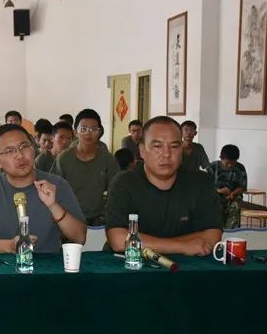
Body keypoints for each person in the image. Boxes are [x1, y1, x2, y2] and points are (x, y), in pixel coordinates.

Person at [106, 116, 223, 256]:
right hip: (130, 264)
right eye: (157, 146)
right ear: (142, 151)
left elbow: (213, 236)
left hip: (187, 266)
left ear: (182, 149)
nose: (167, 154)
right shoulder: (124, 182)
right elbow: (118, 240)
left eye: (174, 146)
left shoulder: (200, 182)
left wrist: (149, 243)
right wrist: (182, 246)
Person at [0, 124, 86, 253]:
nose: (20, 155)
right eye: (9, 151)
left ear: (33, 148)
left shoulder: (56, 184)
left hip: (48, 263)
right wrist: (11, 246)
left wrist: (53, 206)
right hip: (3, 263)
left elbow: (80, 237)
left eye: (24, 146)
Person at [52, 109, 120, 226]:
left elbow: (116, 190)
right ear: (75, 132)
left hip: (99, 219)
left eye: (93, 129)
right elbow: (55, 190)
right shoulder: (64, 159)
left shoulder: (107, 159)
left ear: (99, 132)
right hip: (69, 218)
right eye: (83, 129)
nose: (88, 133)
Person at [207, 144, 247, 229]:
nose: (230, 165)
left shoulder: (240, 168)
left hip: (234, 196)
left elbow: (242, 187)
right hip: (215, 195)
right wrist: (219, 191)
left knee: (235, 206)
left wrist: (233, 193)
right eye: (227, 163)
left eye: (233, 163)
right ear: (221, 158)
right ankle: (216, 230)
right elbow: (205, 186)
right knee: (216, 205)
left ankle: (231, 232)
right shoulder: (213, 167)